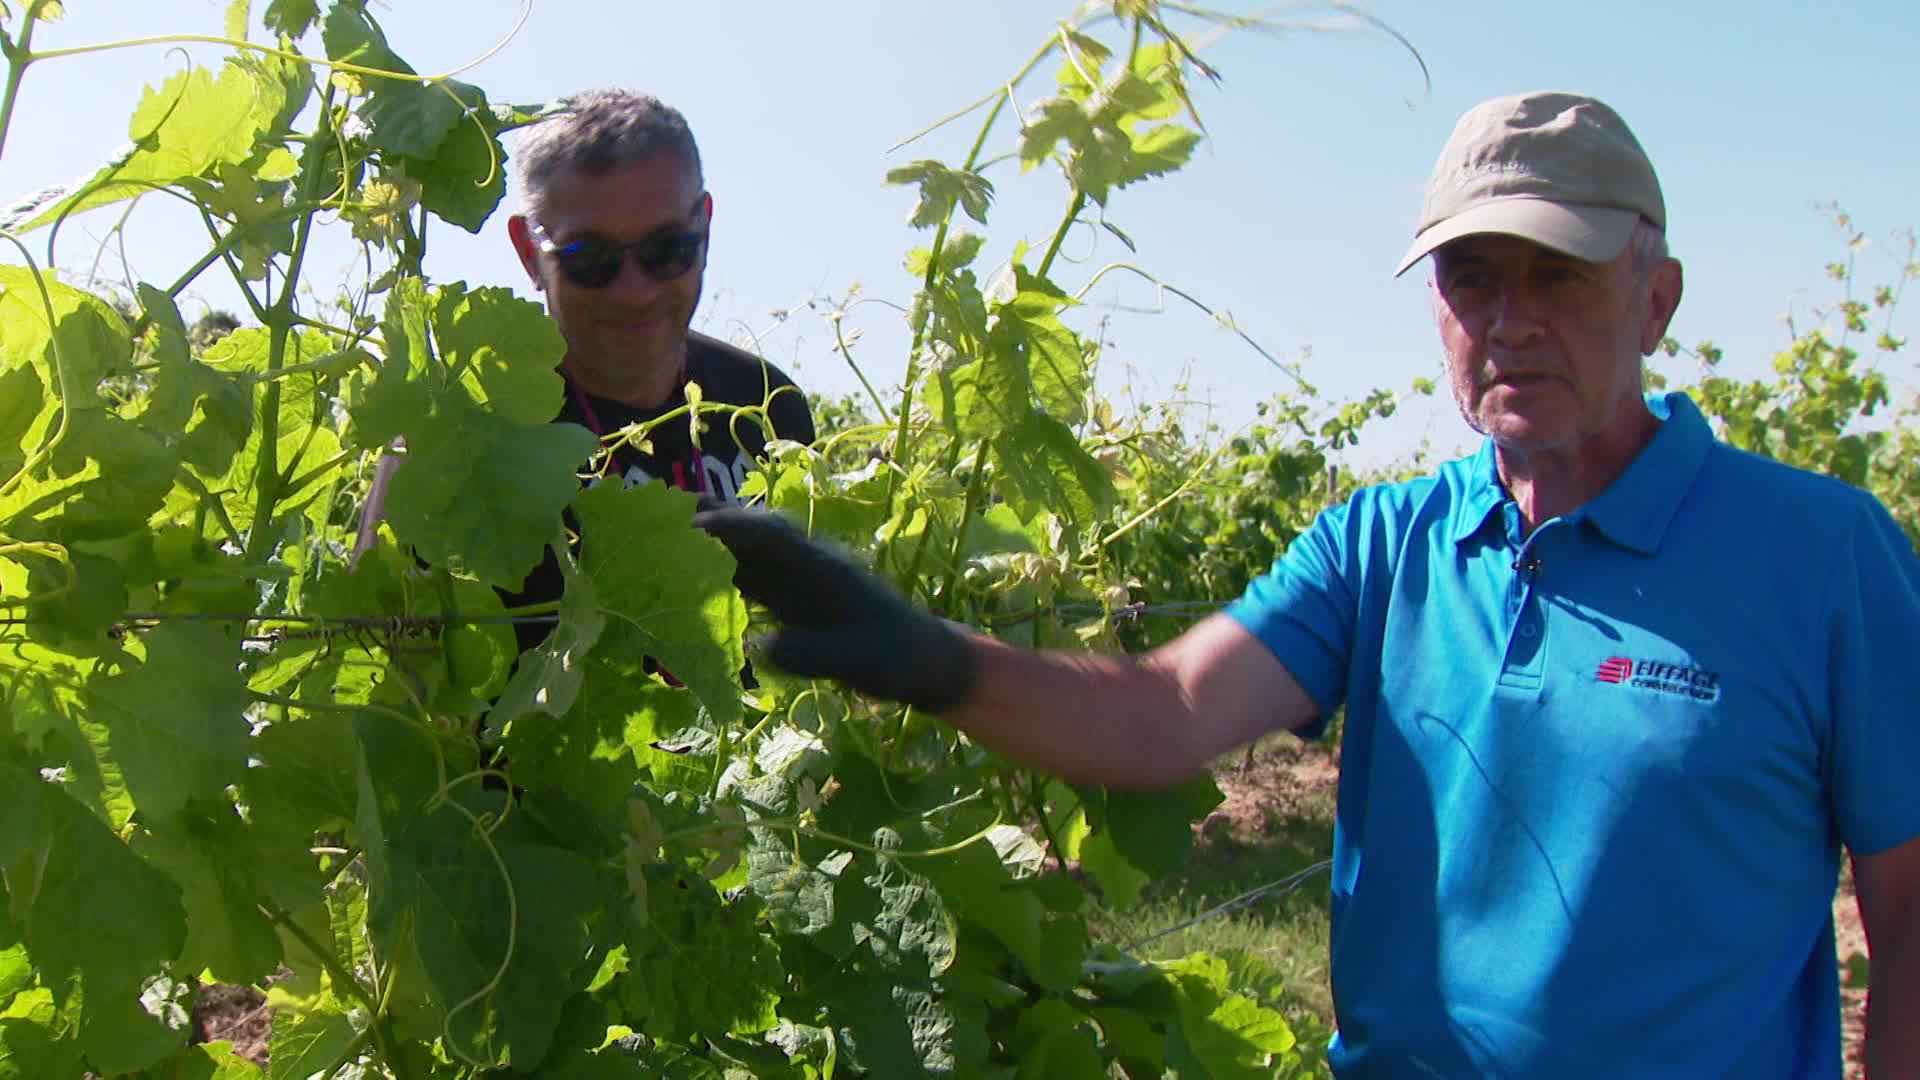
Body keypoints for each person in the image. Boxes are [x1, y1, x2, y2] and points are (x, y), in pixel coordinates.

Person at [695, 91, 1920, 1077]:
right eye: (1472, 279)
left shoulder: (1822, 555)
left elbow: (1909, 908)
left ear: (1657, 300)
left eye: (1559, 274)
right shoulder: (1382, 545)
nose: (1511, 320)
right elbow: (1162, 714)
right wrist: (931, 657)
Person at [499, 89, 816, 650]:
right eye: (590, 259)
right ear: (529, 251)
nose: (635, 292)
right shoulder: (471, 427)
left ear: (706, 227)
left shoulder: (767, 405)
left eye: (667, 249)